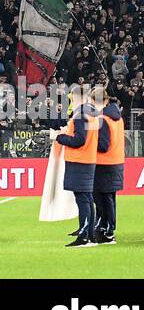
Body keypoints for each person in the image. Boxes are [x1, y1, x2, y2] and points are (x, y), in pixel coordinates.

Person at [49, 85, 100, 247]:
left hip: (80, 160)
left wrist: (59, 137)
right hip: (87, 159)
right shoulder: (92, 113)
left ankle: (84, 237)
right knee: (87, 198)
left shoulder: (81, 114)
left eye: (71, 98)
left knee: (83, 199)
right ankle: (90, 235)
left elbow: (79, 140)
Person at [93, 91, 125, 244]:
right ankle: (109, 230)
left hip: (103, 163)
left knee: (101, 200)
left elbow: (103, 145)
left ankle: (105, 231)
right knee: (109, 199)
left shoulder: (102, 119)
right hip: (116, 161)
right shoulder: (117, 117)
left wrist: (88, 142)